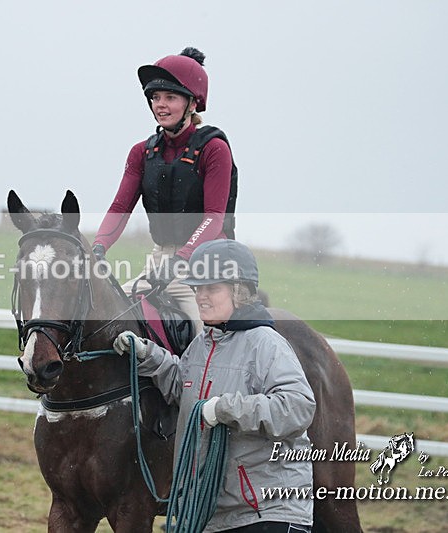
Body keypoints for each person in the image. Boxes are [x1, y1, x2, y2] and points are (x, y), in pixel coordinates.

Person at [113, 239, 316, 532]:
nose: (201, 297)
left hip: (266, 512)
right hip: (213, 514)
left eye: (212, 288)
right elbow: (186, 391)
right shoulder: (202, 344)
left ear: (239, 291)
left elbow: (297, 408)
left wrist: (225, 409)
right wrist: (148, 355)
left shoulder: (267, 344)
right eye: (198, 288)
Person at [92, 47, 238, 331]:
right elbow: (120, 208)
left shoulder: (214, 149)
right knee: (107, 320)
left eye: (170, 97)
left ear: (192, 103)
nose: (160, 104)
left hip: (207, 264)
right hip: (160, 259)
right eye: (155, 97)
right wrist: (97, 247)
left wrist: (181, 259)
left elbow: (214, 217)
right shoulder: (141, 153)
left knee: (202, 337)